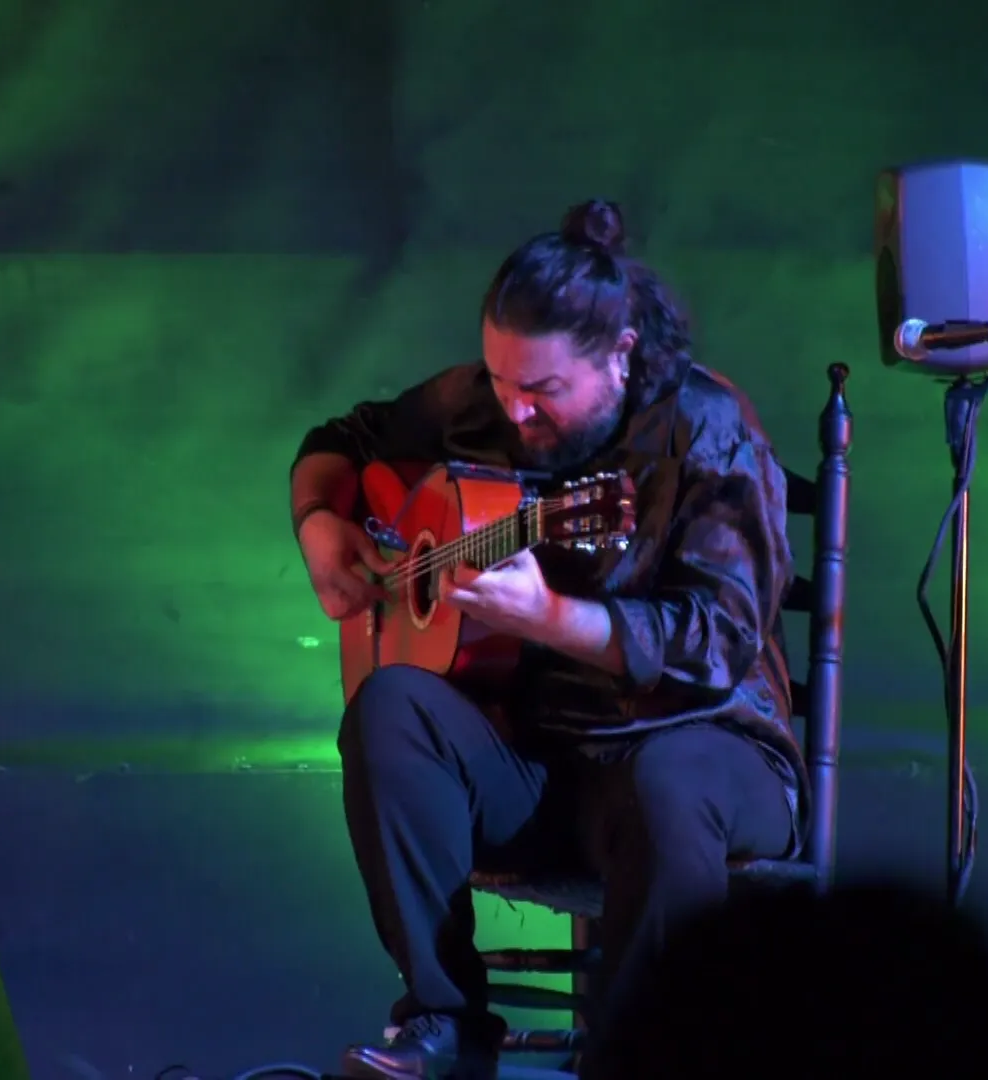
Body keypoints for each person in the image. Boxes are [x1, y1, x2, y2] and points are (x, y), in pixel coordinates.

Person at [290, 199, 804, 1080]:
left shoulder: (705, 427)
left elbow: (717, 644)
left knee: (668, 780)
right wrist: (319, 526)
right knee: (391, 708)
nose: (516, 411)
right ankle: (445, 1024)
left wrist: (552, 618)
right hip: (544, 767)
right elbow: (342, 441)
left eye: (544, 392)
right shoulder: (480, 405)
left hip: (707, 748)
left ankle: (638, 1053)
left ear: (620, 353)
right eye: (501, 382)